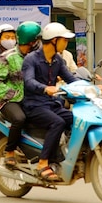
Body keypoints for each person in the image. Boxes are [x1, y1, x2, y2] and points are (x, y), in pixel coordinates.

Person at [21, 22, 78, 183]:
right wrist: (45, 88)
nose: (66, 43)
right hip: (33, 105)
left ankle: (64, 156)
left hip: (51, 104)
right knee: (57, 123)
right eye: (64, 40)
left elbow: (71, 79)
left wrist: (91, 88)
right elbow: (29, 81)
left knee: (75, 119)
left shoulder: (58, 60)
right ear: (54, 40)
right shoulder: (31, 59)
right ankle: (42, 163)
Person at [0, 21, 42, 168]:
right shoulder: (8, 57)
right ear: (30, 41)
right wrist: (14, 93)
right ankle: (10, 152)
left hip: (32, 99)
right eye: (36, 40)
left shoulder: (37, 56)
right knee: (19, 119)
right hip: (10, 101)